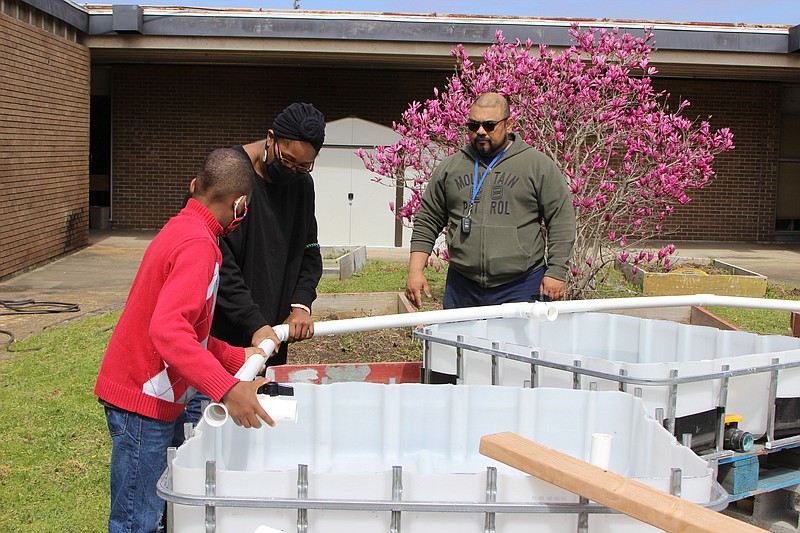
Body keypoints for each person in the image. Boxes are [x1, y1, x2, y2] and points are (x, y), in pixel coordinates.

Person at [95, 148, 274, 533]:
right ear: (240, 204)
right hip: (143, 403)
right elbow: (168, 333)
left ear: (194, 186)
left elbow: (187, 331)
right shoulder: (199, 246)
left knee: (162, 510)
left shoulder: (181, 227)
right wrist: (227, 390)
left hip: (153, 397)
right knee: (135, 521)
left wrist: (233, 356)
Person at [406, 92, 576, 309]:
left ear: (509, 124)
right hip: (463, 285)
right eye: (473, 125)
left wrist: (557, 271)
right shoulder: (451, 168)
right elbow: (428, 219)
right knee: (460, 343)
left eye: (489, 125)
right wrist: (415, 271)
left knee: (517, 345)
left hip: (521, 284)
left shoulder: (537, 166)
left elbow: (561, 219)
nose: (480, 131)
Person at [204, 102, 326, 364]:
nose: (292, 171)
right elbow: (215, 261)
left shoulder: (302, 185)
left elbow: (309, 249)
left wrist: (301, 304)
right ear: (270, 138)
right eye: (287, 160)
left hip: (270, 337)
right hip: (220, 336)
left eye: (303, 166)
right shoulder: (229, 174)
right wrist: (253, 322)